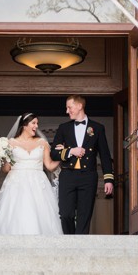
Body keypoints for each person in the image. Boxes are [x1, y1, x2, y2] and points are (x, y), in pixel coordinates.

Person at [0, 112, 63, 235]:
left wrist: (62, 156)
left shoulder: (42, 143)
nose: (36, 126)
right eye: (33, 123)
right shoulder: (11, 143)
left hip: (38, 183)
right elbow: (6, 169)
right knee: (16, 216)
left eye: (37, 123)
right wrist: (3, 157)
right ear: (24, 125)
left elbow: (49, 166)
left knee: (40, 215)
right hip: (16, 183)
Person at [51, 95, 114, 234]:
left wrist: (108, 179)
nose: (67, 111)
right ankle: (69, 242)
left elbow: (105, 155)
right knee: (66, 214)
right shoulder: (63, 128)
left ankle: (80, 247)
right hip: (68, 175)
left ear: (79, 106)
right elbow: (53, 154)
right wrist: (71, 151)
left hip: (88, 177)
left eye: (69, 107)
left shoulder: (97, 128)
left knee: (84, 216)